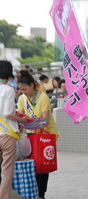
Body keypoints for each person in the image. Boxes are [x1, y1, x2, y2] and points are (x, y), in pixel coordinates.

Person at [17, 70, 59, 199]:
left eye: (25, 89)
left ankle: (41, 194)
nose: (23, 92)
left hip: (45, 134)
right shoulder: (21, 98)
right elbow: (20, 116)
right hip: (30, 135)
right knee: (33, 163)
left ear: (32, 85)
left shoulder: (43, 97)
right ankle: (34, 191)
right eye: (21, 90)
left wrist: (28, 121)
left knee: (44, 164)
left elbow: (45, 120)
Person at [0, 60, 28, 199]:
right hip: (6, 135)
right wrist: (22, 119)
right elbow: (8, 114)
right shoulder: (8, 90)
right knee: (6, 171)